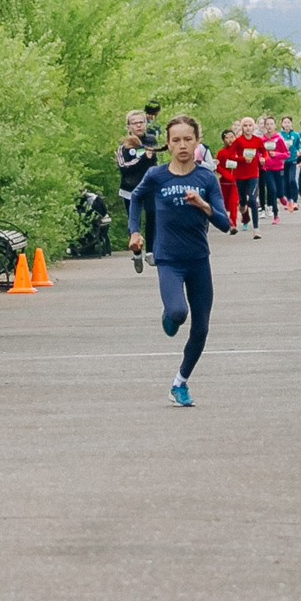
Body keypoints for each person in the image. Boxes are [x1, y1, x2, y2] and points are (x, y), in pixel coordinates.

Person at [126, 114, 227, 407]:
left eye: (188, 139)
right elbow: (136, 199)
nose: (182, 145)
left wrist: (203, 204)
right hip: (169, 260)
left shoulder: (206, 178)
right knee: (178, 313)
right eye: (176, 140)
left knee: (201, 328)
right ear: (168, 144)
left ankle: (180, 382)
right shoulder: (157, 176)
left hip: (198, 260)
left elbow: (224, 223)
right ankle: (169, 315)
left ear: (197, 142)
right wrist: (134, 231)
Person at [116, 109, 159, 273]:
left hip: (149, 188)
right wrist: (141, 158)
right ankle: (136, 253)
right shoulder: (124, 145)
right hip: (130, 190)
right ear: (129, 126)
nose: (139, 125)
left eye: (141, 122)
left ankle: (150, 251)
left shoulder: (150, 140)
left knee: (152, 216)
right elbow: (124, 167)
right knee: (133, 221)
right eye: (135, 123)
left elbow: (153, 162)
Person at [258, 116, 289, 220]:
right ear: (264, 126)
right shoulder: (262, 140)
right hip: (267, 168)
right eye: (267, 124)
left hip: (278, 168)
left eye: (271, 124)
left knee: (280, 192)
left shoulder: (279, 138)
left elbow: (286, 154)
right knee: (272, 190)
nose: (269, 126)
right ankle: (276, 215)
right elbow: (259, 153)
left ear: (275, 125)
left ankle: (282, 197)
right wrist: (261, 158)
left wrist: (276, 154)